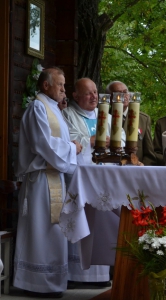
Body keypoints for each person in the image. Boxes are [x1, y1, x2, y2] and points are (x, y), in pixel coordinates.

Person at [14, 67, 82, 298]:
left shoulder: (52, 108)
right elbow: (43, 144)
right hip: (41, 180)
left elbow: (56, 140)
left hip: (54, 177)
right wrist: (73, 148)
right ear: (46, 86)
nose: (64, 90)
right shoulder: (37, 108)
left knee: (53, 232)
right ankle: (36, 283)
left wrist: (69, 144)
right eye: (60, 85)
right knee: (40, 231)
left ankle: (52, 282)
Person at [62, 78, 118, 287]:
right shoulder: (67, 115)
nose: (94, 96)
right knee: (80, 217)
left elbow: (118, 141)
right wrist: (95, 140)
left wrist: (99, 140)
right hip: (80, 177)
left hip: (105, 178)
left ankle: (100, 274)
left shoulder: (109, 116)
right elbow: (72, 143)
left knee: (102, 221)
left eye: (95, 92)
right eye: (88, 93)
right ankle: (76, 274)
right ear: (76, 96)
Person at [106, 81, 156, 166]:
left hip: (135, 170)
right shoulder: (103, 117)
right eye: (118, 93)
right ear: (110, 98)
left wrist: (143, 169)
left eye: (125, 92)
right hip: (109, 169)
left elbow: (149, 154)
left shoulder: (143, 119)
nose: (123, 96)